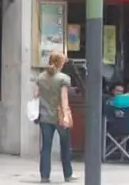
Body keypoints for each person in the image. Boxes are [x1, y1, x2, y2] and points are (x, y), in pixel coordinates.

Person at [36, 51, 74, 184]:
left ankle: (44, 176)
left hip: (45, 116)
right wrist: (65, 117)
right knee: (66, 145)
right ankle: (68, 174)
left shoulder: (41, 77)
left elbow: (37, 95)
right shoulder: (63, 78)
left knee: (45, 147)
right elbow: (64, 99)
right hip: (59, 116)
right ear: (60, 63)